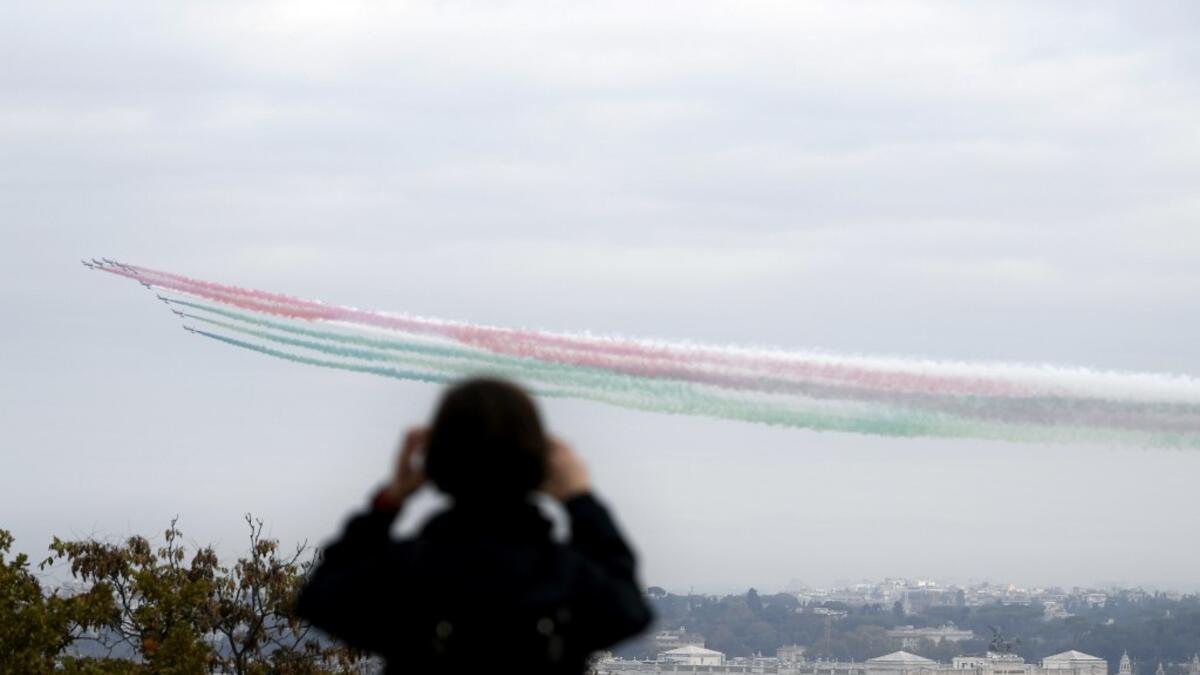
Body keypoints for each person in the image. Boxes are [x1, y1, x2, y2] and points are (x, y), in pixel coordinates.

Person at [296, 377, 653, 674]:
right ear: (540, 462)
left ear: (434, 461)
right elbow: (629, 607)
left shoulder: (401, 573)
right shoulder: (567, 577)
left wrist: (389, 500)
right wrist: (580, 500)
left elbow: (320, 597)